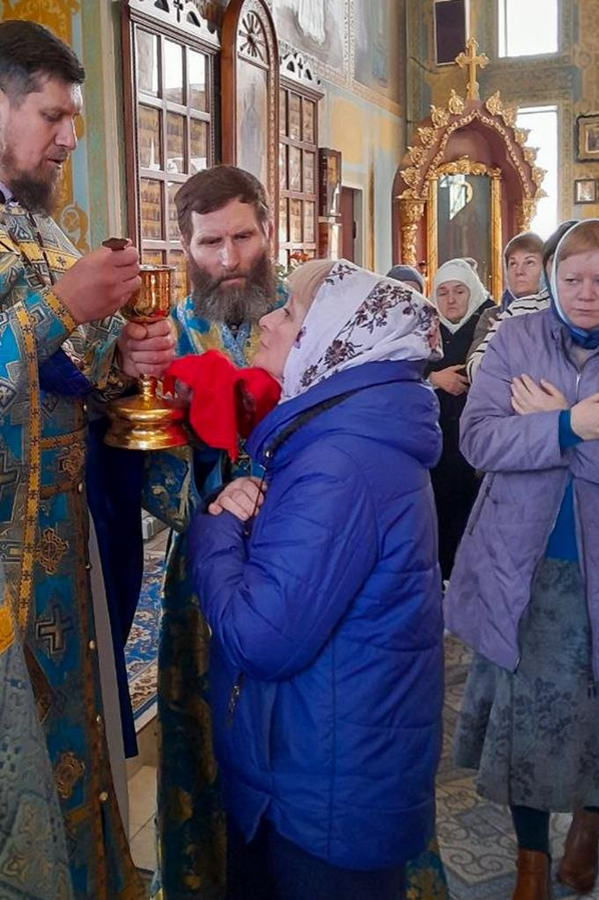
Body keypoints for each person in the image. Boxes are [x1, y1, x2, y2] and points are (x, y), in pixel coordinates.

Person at [187, 259, 446, 900]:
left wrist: (215, 528)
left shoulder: (339, 460)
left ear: (334, 340)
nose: (269, 321)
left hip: (322, 791)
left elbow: (261, 636)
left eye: (292, 312)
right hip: (333, 759)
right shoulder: (348, 431)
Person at [445, 219, 599, 900]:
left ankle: (590, 824)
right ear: (551, 278)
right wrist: (578, 425)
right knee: (524, 724)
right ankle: (530, 860)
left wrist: (555, 425)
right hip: (524, 566)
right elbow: (481, 442)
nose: (585, 293)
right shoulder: (515, 340)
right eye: (572, 279)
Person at [0, 19, 174, 899]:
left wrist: (126, 361)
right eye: (54, 114)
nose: (71, 136)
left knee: (80, 745)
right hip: (4, 570)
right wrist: (57, 309)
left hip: (69, 554)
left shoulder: (47, 232)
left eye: (74, 118)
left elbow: (70, 380)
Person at [142, 164, 286, 899]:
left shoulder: (315, 314)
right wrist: (210, 492)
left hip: (307, 556)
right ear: (185, 245)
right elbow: (148, 460)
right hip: (205, 568)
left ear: (269, 231)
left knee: (303, 739)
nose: (228, 259)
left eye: (242, 237)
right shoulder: (161, 337)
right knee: (208, 737)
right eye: (209, 243)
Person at [426, 259, 493, 580]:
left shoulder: (490, 321)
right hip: (434, 449)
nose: (450, 300)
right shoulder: (423, 326)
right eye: (442, 292)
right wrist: (434, 379)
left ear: (474, 293)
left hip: (476, 450)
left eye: (459, 291)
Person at [466, 222, 577, 382]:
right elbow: (476, 369)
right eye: (513, 264)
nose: (519, 271)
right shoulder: (511, 311)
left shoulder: (586, 308)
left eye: (529, 262)